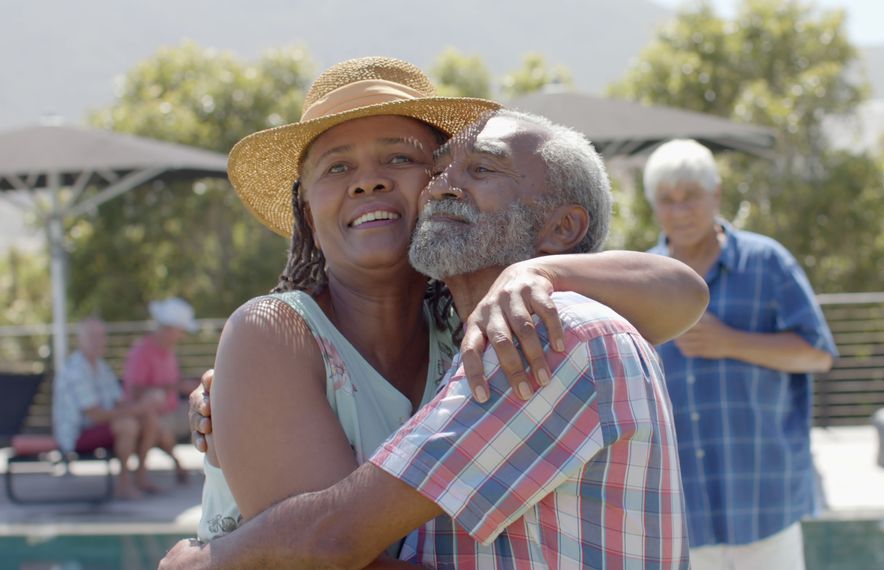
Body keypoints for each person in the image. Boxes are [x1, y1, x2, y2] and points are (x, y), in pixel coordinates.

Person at [166, 57, 704, 564]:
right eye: (336, 166)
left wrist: (541, 271)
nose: (369, 180)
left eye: (402, 158)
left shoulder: (501, 337)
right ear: (306, 208)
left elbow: (684, 292)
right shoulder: (278, 335)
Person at [642, 139, 838, 569]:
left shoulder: (767, 261)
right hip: (680, 504)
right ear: (653, 207)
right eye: (667, 200)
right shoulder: (641, 279)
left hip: (764, 498)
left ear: (716, 194)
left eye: (690, 196)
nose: (680, 211)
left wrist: (730, 342)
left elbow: (818, 353)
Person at [52, 318, 164, 499]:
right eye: (93, 336)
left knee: (148, 417)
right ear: (80, 340)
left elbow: (120, 403)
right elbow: (95, 415)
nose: (99, 341)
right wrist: (138, 408)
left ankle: (141, 477)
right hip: (75, 436)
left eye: (102, 336)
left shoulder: (101, 367)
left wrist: (146, 404)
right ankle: (123, 485)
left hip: (100, 428)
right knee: (127, 424)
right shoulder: (75, 369)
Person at [123, 296, 200, 486]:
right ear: (169, 329)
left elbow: (171, 384)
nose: (182, 336)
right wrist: (175, 387)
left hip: (172, 411)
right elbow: (134, 392)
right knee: (158, 424)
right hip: (152, 415)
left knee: (212, 409)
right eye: (180, 331)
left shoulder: (169, 352)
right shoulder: (141, 352)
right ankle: (166, 468)